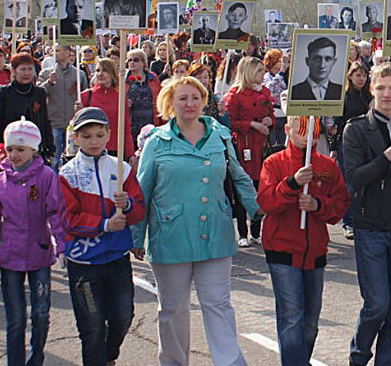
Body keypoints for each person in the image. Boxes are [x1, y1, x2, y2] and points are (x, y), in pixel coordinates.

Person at [132, 75, 260, 364]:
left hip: (214, 231)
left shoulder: (219, 135)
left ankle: (230, 362)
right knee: (173, 308)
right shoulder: (157, 141)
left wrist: (260, 211)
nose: (190, 104)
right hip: (171, 235)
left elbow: (238, 176)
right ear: (170, 104)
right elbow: (143, 188)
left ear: (204, 101)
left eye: (195, 98)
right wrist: (136, 236)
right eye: (183, 98)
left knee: (218, 304)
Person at [342, 62, 391, 366]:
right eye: (381, 87)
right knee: (377, 304)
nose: (386, 94)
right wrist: (389, 156)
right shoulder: (357, 129)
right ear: (371, 90)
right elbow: (355, 178)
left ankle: (386, 360)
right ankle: (359, 355)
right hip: (370, 226)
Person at [257, 115, 351, 364]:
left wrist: (318, 204)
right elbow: (266, 202)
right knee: (292, 317)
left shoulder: (327, 166)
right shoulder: (273, 163)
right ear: (287, 129)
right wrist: (292, 183)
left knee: (310, 321)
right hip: (282, 249)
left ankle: (300, 360)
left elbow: (341, 204)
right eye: (299, 126)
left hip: (315, 252)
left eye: (311, 126)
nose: (305, 131)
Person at [60, 107, 146, 366]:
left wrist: (128, 205)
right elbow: (68, 219)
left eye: (99, 134)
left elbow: (140, 208)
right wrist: (104, 224)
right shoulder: (68, 174)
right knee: (92, 326)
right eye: (87, 136)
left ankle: (108, 357)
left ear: (109, 134)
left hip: (117, 259)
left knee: (123, 317)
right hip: (84, 264)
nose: (94, 141)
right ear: (76, 138)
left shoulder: (121, 170)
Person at [0, 118, 66, 366]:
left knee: (41, 313)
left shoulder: (46, 176)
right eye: (10, 149)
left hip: (39, 253)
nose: (14, 155)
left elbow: (55, 211)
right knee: (15, 318)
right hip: (10, 255)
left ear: (33, 149)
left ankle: (36, 358)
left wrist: (62, 245)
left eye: (20, 149)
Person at [225, 56, 275, 247]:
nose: (263, 74)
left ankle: (256, 231)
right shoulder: (235, 94)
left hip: (261, 145)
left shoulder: (265, 91)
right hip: (244, 146)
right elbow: (230, 122)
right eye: (259, 71)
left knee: (260, 187)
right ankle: (243, 233)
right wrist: (251, 124)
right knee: (241, 189)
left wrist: (270, 120)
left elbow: (271, 113)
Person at [332, 61, 373, 240]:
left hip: (367, 143)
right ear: (350, 76)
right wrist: (333, 146)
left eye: (364, 75)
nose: (361, 79)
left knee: (365, 182)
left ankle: (362, 219)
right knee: (349, 184)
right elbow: (337, 124)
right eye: (358, 75)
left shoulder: (368, 95)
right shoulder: (345, 97)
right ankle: (348, 222)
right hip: (346, 144)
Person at [37, 45, 88, 166]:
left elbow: (85, 95)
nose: (54, 53)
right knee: (54, 160)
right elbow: (38, 94)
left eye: (57, 50)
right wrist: (49, 83)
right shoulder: (47, 73)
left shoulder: (78, 74)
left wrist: (82, 107)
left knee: (73, 159)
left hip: (72, 123)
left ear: (67, 53)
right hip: (54, 122)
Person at [0, 54, 50, 159]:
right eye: (23, 69)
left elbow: (44, 120)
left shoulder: (39, 92)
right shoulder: (3, 93)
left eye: (30, 69)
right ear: (14, 70)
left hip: (34, 146)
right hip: (10, 147)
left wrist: (49, 148)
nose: (27, 73)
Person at [79, 58, 134, 158]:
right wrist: (78, 112)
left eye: (104, 70)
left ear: (112, 73)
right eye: (98, 70)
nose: (100, 74)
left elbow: (126, 127)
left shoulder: (120, 97)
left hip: (114, 149)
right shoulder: (86, 95)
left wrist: (130, 154)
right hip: (91, 148)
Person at [126, 49, 162, 150]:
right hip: (132, 124)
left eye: (136, 60)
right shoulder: (123, 79)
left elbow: (159, 98)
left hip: (150, 121)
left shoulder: (153, 77)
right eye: (129, 60)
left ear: (143, 62)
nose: (132, 62)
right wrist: (124, 104)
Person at [290, 36, 343, 101]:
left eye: (328, 59)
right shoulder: (293, 92)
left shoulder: (341, 91)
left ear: (334, 62)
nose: (322, 65)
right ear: (307, 61)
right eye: (317, 59)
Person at [263, 49, 288, 148]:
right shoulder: (267, 77)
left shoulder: (285, 76)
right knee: (273, 145)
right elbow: (270, 89)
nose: (281, 63)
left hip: (284, 115)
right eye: (279, 61)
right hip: (274, 114)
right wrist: (281, 73)